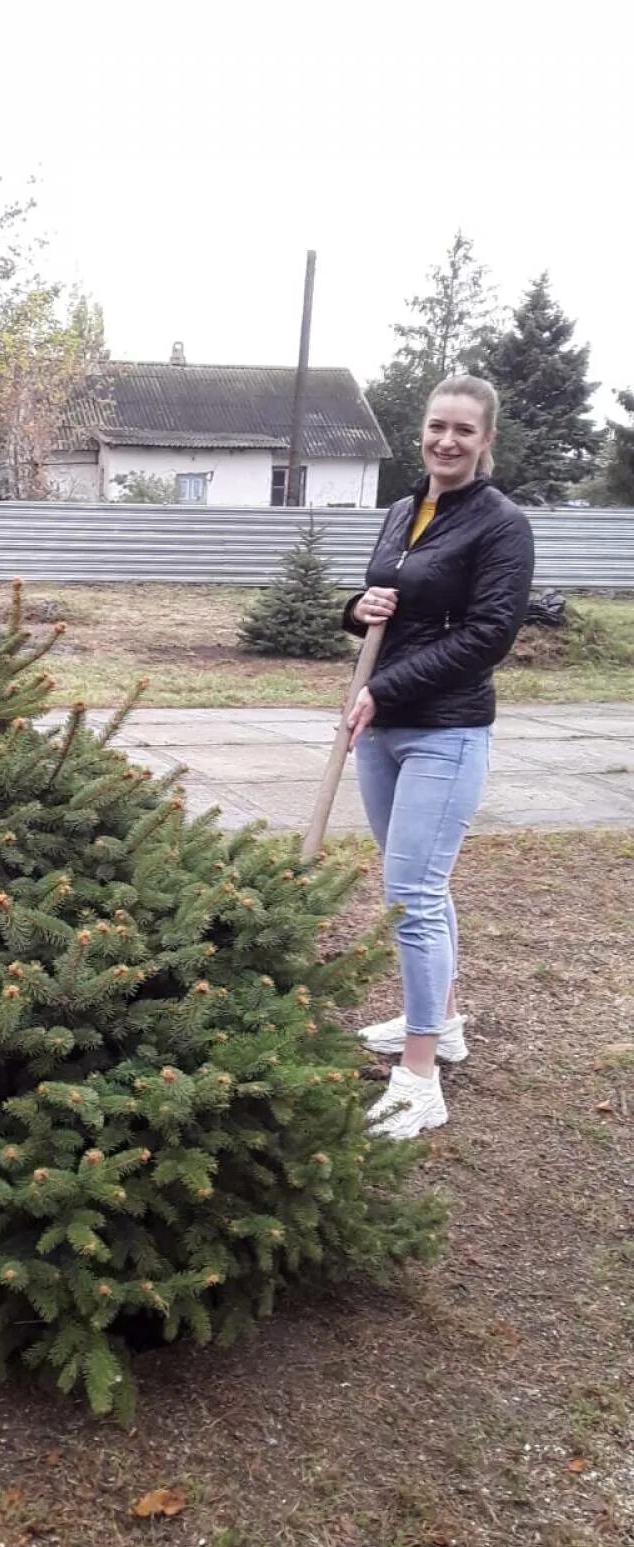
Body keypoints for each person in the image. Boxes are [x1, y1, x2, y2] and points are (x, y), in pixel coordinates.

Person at [343, 374, 534, 1140]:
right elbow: (381, 603)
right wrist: (356, 610)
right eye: (436, 427)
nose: (446, 441)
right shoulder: (400, 510)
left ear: (486, 441)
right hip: (383, 726)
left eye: (463, 430)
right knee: (419, 887)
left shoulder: (500, 524)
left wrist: (384, 691)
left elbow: (488, 637)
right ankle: (442, 1021)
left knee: (412, 896)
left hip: (444, 731)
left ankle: (420, 1078)